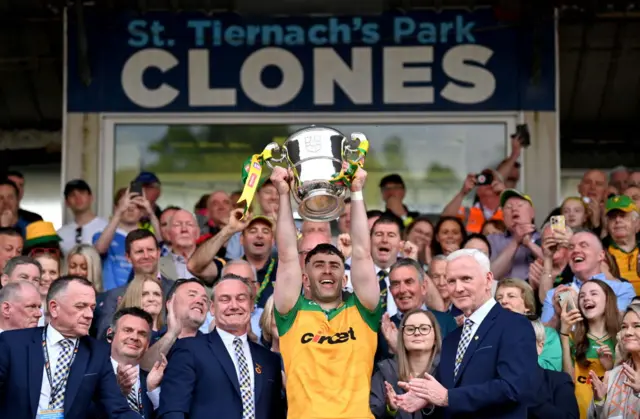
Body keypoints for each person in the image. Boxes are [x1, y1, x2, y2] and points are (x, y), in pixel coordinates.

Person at [271, 165, 382, 418]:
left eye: (334, 266)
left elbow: (363, 253)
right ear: (305, 279)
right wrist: (283, 193)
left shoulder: (363, 311)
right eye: (318, 266)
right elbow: (288, 256)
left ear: (345, 278)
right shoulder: (291, 313)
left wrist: (356, 192)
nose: (327, 271)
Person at [393, 249, 539, 418]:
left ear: (488, 280)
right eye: (451, 281)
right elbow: (445, 397)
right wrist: (427, 400)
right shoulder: (452, 338)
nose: (458, 288)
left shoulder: (514, 324)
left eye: (466, 279)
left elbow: (513, 388)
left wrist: (448, 397)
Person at [0, 276, 140, 419]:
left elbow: (117, 409)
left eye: (92, 308)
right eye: (80, 306)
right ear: (54, 308)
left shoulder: (97, 352)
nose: (89, 315)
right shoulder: (13, 343)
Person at [157, 274, 285, 419]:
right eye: (225, 299)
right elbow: (173, 410)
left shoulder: (269, 360)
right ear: (212, 308)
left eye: (241, 298)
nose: (234, 306)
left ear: (251, 305)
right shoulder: (189, 349)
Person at [559, 280, 620, 419]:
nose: (586, 298)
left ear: (608, 300)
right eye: (582, 296)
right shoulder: (572, 338)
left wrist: (610, 368)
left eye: (594, 293)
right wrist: (564, 334)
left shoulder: (621, 338)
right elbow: (568, 382)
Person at [370, 309, 442, 419]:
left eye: (424, 328)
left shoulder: (448, 370)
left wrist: (430, 402)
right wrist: (390, 409)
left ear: (436, 337)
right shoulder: (385, 372)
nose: (417, 333)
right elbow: (371, 413)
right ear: (402, 337)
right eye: (410, 329)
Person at [587, 304, 640, 418]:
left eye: (637, 326)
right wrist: (599, 401)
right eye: (624, 327)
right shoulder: (612, 376)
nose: (628, 332)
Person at [527, 320, 579, 419]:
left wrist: (529, 398)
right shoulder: (496, 384)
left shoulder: (559, 381)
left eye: (524, 341)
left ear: (540, 346)